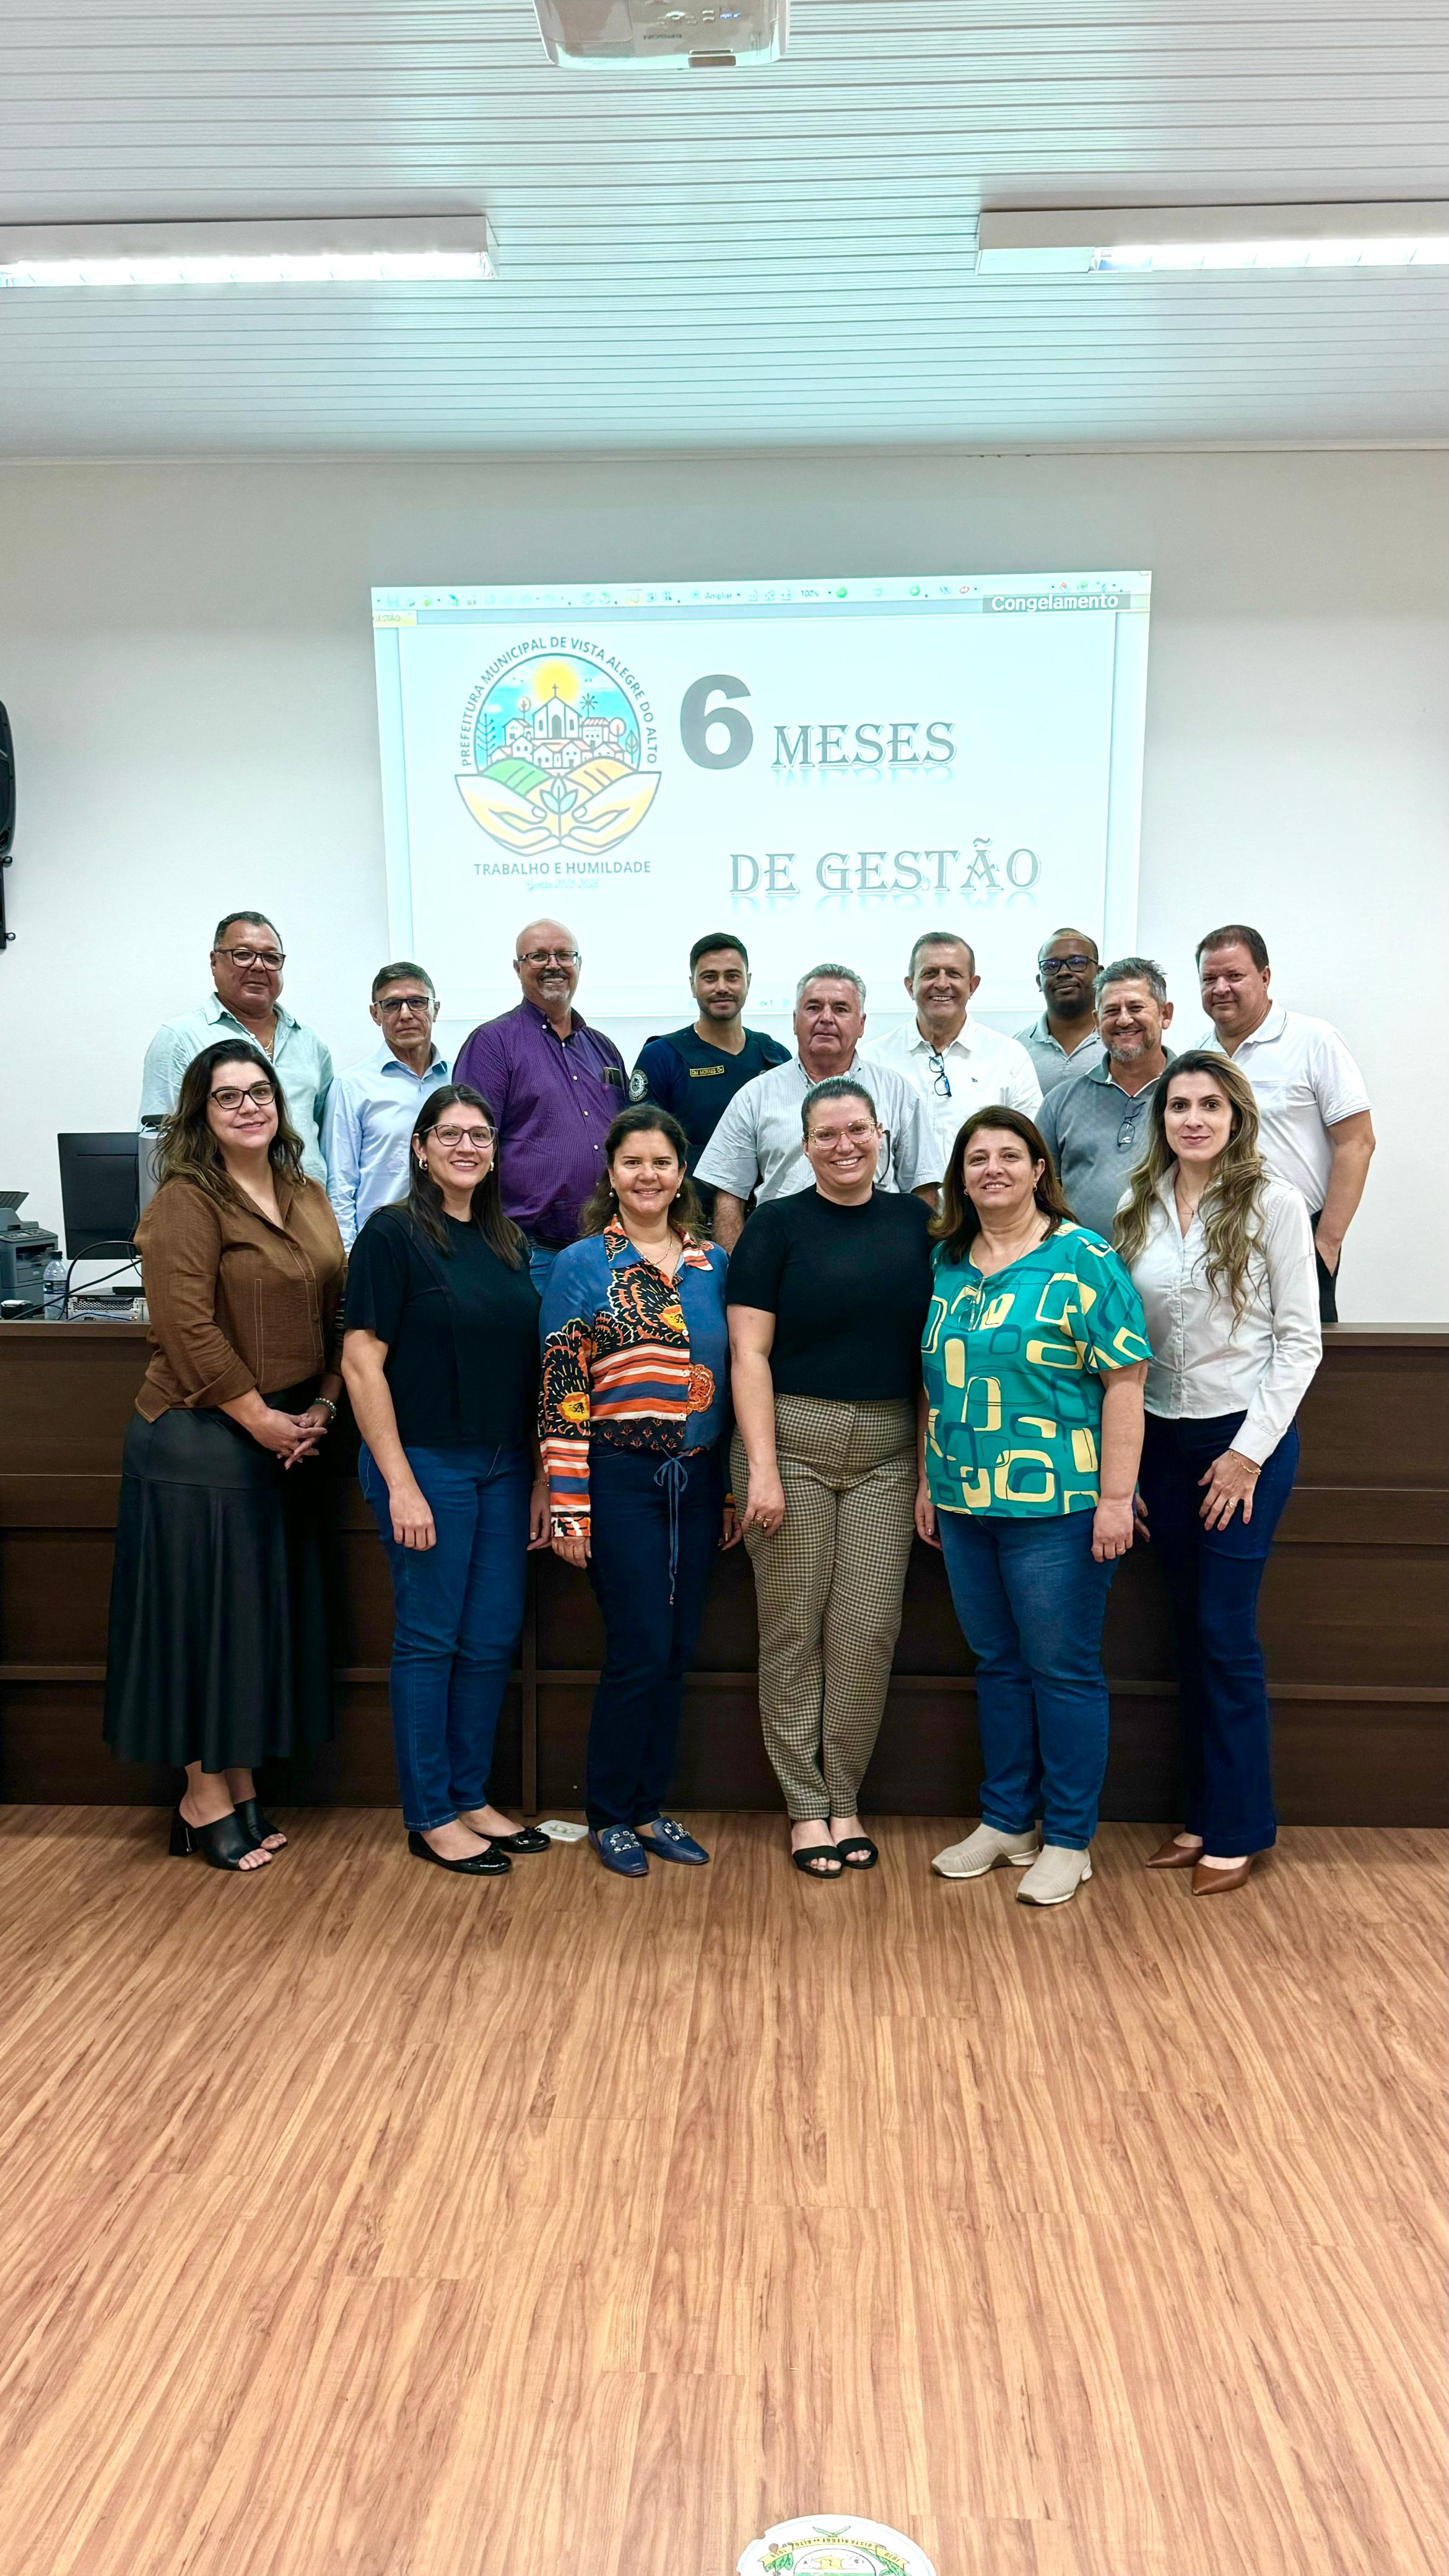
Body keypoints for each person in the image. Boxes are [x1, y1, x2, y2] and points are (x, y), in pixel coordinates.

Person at [104, 1039, 346, 1869]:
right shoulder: (187, 1197)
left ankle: (237, 1783)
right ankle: (201, 1795)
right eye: (227, 1095)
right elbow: (186, 1326)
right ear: (200, 1115)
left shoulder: (304, 1190)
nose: (248, 1106)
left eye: (259, 1091)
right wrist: (259, 1417)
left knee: (247, 1625)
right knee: (203, 1624)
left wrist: (320, 1404)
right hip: (197, 1439)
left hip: (284, 1433)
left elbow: (334, 1306)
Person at [919, 1107, 1150, 1908]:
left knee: (1063, 1669)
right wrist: (927, 1479)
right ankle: (1007, 1820)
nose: (993, 1169)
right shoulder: (948, 1261)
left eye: (1009, 1155)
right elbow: (933, 1380)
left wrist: (1115, 1498)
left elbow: (1126, 1382)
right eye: (977, 1158)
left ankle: (1069, 1838)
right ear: (961, 1177)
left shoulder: (1084, 1259)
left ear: (1039, 1168)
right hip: (963, 1501)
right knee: (998, 1664)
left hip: (1060, 1506)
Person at [1115, 1051, 1321, 1895]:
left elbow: (1300, 1343)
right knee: (1187, 1635)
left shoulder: (1273, 1202)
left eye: (1209, 1105)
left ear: (1235, 1117)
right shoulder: (1136, 1205)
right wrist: (1125, 1461)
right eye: (1178, 1106)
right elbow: (1123, 1339)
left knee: (1226, 1633)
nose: (1193, 1119)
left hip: (1244, 1442)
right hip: (1160, 1442)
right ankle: (1201, 1817)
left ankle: (1239, 1828)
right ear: (1161, 1119)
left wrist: (1246, 1454)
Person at [727, 1077, 934, 1879]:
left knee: (867, 1632)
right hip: (791, 1446)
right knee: (792, 1629)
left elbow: (931, 1359)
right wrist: (762, 1471)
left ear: (881, 1135)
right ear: (805, 1145)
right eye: (826, 1134)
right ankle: (805, 1805)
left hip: (889, 1454)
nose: (844, 1146)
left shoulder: (917, 1224)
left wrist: (928, 1472)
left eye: (857, 1130)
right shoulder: (775, 1226)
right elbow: (748, 1354)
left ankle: (845, 1795)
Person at [341, 1086, 550, 1876]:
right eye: (450, 1133)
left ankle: (469, 1795)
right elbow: (361, 1363)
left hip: (503, 1465)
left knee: (491, 1636)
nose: (467, 1146)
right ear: (421, 1147)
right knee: (431, 1638)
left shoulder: (508, 1241)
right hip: (425, 1463)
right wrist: (399, 1482)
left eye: (480, 1134)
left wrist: (539, 1475)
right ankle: (430, 1813)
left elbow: (531, 1367)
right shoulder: (391, 1234)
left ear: (495, 1151)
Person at [539, 1106, 736, 1877]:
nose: (648, 1175)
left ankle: (651, 1807)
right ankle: (610, 1813)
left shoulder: (714, 1264)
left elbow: (732, 1381)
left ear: (682, 1173)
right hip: (619, 1476)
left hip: (699, 1478)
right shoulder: (582, 1264)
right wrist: (569, 1507)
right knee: (639, 1647)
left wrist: (727, 1492)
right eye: (633, 1162)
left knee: (679, 1648)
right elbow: (561, 1391)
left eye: (661, 1161)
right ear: (612, 1174)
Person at [1196, 923, 1373, 1323]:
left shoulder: (1314, 1040)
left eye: (1234, 975)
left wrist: (1327, 1243)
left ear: (1265, 977)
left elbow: (1358, 1142)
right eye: (1209, 979)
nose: (1221, 988)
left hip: (1300, 1238)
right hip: (1216, 1239)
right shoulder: (1197, 1055)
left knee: (1304, 1354)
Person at [695, 964, 941, 1251]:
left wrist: (917, 1259)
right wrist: (740, 1269)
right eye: (813, 1008)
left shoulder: (896, 1092)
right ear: (795, 1021)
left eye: (840, 1009)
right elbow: (729, 1195)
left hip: (883, 1254)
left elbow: (922, 1187)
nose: (826, 1018)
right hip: (783, 1257)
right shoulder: (755, 1096)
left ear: (861, 1024)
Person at [453, 918, 627, 1295]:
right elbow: (469, 1148)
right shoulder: (492, 1044)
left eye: (564, 955)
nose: (553, 965)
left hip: (610, 1248)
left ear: (579, 964)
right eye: (538, 956)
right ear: (518, 968)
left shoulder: (603, 1048)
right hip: (529, 1253)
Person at [141, 909, 334, 1185]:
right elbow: (160, 1143)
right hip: (220, 1203)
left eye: (271, 958)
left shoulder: (310, 1042)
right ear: (214, 962)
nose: (259, 966)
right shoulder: (179, 1039)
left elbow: (326, 1136)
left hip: (308, 1200)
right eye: (243, 955)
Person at [628, 932, 791, 1221]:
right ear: (693, 985)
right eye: (710, 978)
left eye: (732, 976)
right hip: (687, 1222)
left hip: (769, 1219)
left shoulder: (777, 1057)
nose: (722, 987)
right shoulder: (662, 1057)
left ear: (748, 982)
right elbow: (640, 1149)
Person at [861, 928, 1042, 1160]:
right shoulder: (873, 1060)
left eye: (954, 974)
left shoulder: (1009, 1058)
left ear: (972, 986)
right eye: (930, 974)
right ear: (910, 986)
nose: (942, 984)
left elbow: (1029, 1147)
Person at [1037, 955, 1177, 1241]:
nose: (1124, 1019)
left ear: (1165, 1014)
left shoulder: (1196, 1098)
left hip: (1175, 1265)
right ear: (1097, 1021)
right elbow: (1036, 1192)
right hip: (1082, 1265)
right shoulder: (1061, 1102)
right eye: (1111, 1010)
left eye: (1136, 1008)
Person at [322, 961, 451, 1249]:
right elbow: (340, 1183)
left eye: (417, 1002)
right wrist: (349, 1255)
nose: (406, 1014)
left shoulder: (458, 1080)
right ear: (375, 1014)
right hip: (383, 1243)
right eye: (392, 1005)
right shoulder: (351, 1087)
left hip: (452, 1241)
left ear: (435, 1009)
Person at [1013, 927, 1101, 1092]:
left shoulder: (1123, 1042)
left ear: (1100, 974)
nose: (1063, 972)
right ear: (1039, 981)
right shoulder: (1017, 1050)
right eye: (1050, 966)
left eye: (1077, 963)